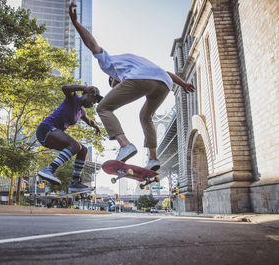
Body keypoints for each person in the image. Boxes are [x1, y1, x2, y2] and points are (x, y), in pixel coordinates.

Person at [69, 3, 195, 171]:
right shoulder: (134, 62)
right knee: (145, 116)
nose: (114, 87)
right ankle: (153, 158)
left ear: (112, 78)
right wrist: (184, 83)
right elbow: (165, 72)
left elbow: (92, 44)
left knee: (104, 107)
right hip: (164, 83)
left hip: (142, 80)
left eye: (114, 83)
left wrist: (76, 24)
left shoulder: (109, 64)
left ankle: (125, 145)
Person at [36, 84, 103, 192]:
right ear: (88, 94)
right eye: (93, 101)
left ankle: (75, 183)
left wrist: (97, 127)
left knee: (83, 150)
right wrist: (83, 88)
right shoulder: (73, 98)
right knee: (75, 145)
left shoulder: (81, 112)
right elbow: (65, 88)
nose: (92, 104)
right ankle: (49, 169)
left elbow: (89, 121)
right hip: (46, 129)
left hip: (52, 134)